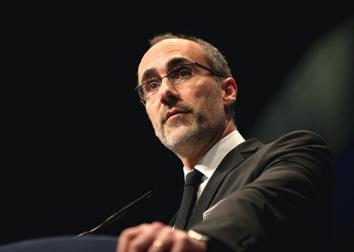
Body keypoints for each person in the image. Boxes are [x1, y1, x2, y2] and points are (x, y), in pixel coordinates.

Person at [116, 33, 335, 252]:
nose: (165, 92)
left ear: (227, 91)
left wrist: (198, 240)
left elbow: (257, 204)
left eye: (182, 73)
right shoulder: (172, 227)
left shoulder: (293, 153)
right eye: (151, 85)